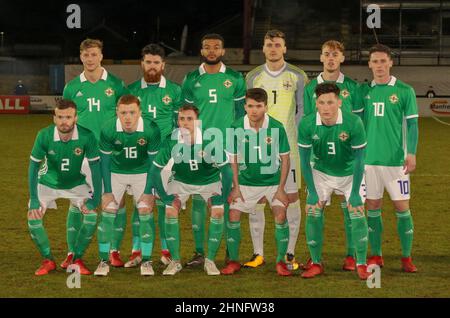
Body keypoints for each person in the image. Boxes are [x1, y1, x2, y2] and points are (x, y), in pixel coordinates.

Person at [62, 38, 129, 268]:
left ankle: (114, 251)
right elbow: (65, 121)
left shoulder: (116, 84)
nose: (90, 59)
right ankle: (72, 253)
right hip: (81, 155)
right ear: (80, 57)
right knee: (76, 203)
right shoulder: (72, 87)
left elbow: (126, 116)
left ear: (101, 56)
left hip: (110, 154)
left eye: (94, 55)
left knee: (116, 203)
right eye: (86, 55)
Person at [181, 33, 246, 267]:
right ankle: (200, 253)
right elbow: (184, 115)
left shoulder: (235, 78)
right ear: (201, 51)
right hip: (198, 148)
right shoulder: (190, 79)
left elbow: (241, 113)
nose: (211, 51)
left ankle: (231, 253)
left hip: (227, 147)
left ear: (223, 51)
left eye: (216, 47)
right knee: (199, 198)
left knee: (228, 199)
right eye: (207, 47)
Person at [245, 29, 308, 269]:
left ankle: (290, 253)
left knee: (291, 199)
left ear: (285, 48)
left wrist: (292, 138)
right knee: (256, 199)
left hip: (288, 149)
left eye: (277, 45)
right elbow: (249, 109)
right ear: (263, 48)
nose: (273, 48)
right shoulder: (253, 76)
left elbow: (302, 110)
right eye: (269, 44)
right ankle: (258, 253)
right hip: (258, 149)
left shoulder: (297, 76)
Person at [354, 44, 419, 273]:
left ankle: (406, 257)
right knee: (372, 206)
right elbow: (357, 125)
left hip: (395, 162)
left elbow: (412, 125)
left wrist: (411, 153)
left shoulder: (404, 90)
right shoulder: (364, 92)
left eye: (383, 61)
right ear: (369, 64)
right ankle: (377, 255)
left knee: (402, 208)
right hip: (369, 162)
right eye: (375, 61)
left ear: (390, 63)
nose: (379, 66)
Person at [149, 105, 233, 275]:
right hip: (181, 181)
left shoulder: (210, 141)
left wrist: (223, 196)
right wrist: (165, 196)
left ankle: (209, 261)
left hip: (209, 181)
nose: (185, 123)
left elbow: (226, 170)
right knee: (170, 211)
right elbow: (154, 171)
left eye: (190, 119)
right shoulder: (171, 141)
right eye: (182, 119)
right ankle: (176, 261)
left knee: (218, 212)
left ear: (197, 122)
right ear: (177, 121)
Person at [298, 83, 369, 280]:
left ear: (339, 102)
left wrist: (354, 192)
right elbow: (304, 161)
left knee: (357, 212)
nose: (326, 107)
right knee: (312, 211)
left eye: (330, 102)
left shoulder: (353, 122)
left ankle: (361, 263)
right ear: (316, 103)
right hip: (321, 172)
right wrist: (311, 191)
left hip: (350, 173)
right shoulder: (306, 123)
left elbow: (360, 159)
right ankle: (316, 262)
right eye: (321, 102)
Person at [303, 40, 361, 271]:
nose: (330, 58)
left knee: (351, 208)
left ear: (342, 58)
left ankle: (351, 255)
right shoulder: (310, 88)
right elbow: (309, 122)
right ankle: (315, 258)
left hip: (347, 158)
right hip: (321, 161)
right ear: (320, 57)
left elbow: (359, 122)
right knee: (316, 207)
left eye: (334, 54)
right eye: (326, 54)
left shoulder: (352, 87)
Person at [221, 88, 292, 276]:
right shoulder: (236, 127)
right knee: (233, 215)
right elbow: (233, 159)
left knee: (280, 215)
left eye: (258, 106)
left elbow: (285, 159)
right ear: (245, 106)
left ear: (266, 107)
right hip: (245, 183)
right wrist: (236, 188)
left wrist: (281, 189)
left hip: (272, 182)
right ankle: (234, 261)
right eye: (250, 106)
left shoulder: (276, 127)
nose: (254, 111)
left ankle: (280, 262)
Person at [27, 99, 101, 275]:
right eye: (60, 117)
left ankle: (77, 259)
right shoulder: (44, 135)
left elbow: (95, 168)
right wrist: (35, 198)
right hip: (47, 183)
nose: (64, 121)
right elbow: (33, 167)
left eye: (68, 117)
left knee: (91, 216)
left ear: (76, 118)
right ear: (54, 118)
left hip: (76, 184)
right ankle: (48, 260)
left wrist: (96, 198)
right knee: (33, 217)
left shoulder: (87, 136)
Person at [125, 44, 183, 268]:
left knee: (163, 203)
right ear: (142, 64)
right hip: (139, 156)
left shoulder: (175, 91)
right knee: (140, 204)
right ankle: (136, 250)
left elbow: (180, 125)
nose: (152, 66)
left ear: (163, 65)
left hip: (166, 156)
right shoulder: (131, 91)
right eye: (148, 62)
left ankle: (166, 250)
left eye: (156, 63)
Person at [93, 95, 161, 276]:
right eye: (123, 113)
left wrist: (148, 191)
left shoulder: (151, 129)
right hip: (116, 173)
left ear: (140, 112)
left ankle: (146, 261)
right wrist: (106, 192)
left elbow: (155, 163)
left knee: (145, 211)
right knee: (108, 211)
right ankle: (103, 261)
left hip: (143, 173)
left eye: (132, 112)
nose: (128, 117)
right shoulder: (108, 129)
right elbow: (104, 163)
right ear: (117, 112)